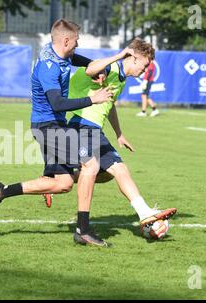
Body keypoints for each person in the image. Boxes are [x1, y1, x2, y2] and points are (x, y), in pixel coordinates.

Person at [0, 19, 113, 245]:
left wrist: (98, 69)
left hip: (53, 126)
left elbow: (79, 60)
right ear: (65, 40)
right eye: (76, 41)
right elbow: (57, 103)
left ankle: (2, 191)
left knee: (62, 184)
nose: (77, 45)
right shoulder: (47, 67)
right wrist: (93, 99)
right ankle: (83, 231)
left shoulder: (60, 54)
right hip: (48, 127)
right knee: (90, 164)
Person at [45, 38, 177, 246]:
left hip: (95, 130)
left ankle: (144, 213)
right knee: (108, 170)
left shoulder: (121, 79)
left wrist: (119, 133)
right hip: (81, 125)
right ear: (134, 57)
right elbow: (90, 70)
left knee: (116, 171)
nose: (145, 70)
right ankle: (138, 215)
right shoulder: (111, 66)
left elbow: (110, 104)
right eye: (144, 65)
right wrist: (119, 55)